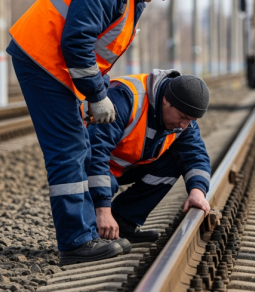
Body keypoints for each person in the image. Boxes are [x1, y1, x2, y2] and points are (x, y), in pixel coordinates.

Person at [7, 0, 196, 265]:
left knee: (76, 145)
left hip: (57, 68)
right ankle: (76, 242)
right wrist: (96, 96)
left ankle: (83, 234)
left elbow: (95, 52)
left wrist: (97, 89)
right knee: (68, 148)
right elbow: (76, 42)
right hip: (42, 61)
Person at [86, 70, 211, 243]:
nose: (184, 126)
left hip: (122, 166)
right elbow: (95, 152)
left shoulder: (184, 116)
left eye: (190, 120)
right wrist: (103, 211)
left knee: (174, 162)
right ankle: (87, 233)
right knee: (105, 185)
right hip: (88, 166)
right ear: (167, 100)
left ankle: (124, 221)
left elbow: (195, 155)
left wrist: (197, 192)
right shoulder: (125, 99)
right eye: (182, 117)